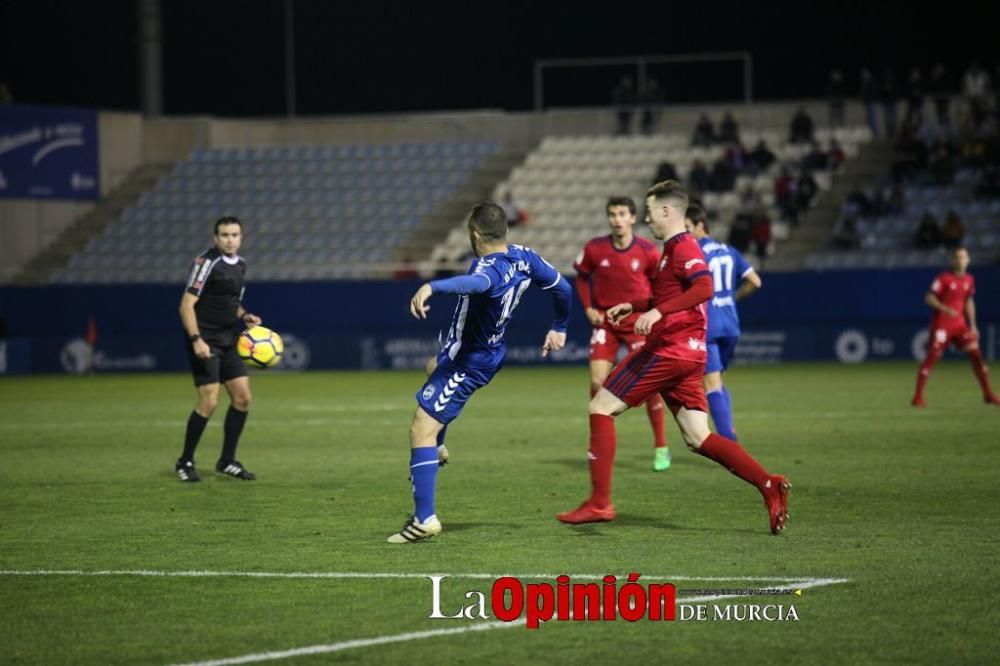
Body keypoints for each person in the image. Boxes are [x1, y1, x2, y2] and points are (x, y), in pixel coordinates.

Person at [557, 180, 790, 535]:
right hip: (688, 355)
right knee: (698, 437)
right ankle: (768, 484)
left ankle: (600, 503)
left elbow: (704, 287)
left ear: (667, 211)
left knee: (600, 407)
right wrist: (635, 306)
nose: (647, 220)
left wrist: (657, 313)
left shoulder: (683, 247)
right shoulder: (670, 250)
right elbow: (671, 293)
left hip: (669, 350)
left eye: (649, 212)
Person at [388, 202, 572, 543]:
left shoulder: (490, 269)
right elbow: (563, 288)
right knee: (432, 367)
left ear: (474, 235)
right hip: (469, 351)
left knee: (420, 429)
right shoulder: (525, 257)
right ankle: (438, 449)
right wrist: (559, 326)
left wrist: (432, 287)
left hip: (469, 360)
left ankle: (424, 518)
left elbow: (476, 283)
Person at [575, 196, 671, 472]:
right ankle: (600, 442)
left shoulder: (648, 251)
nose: (617, 219)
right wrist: (589, 307)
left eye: (622, 214)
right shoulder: (595, 248)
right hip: (605, 321)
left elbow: (660, 286)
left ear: (632, 218)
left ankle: (661, 446)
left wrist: (656, 315)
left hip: (638, 323)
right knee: (597, 380)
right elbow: (581, 277)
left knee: (649, 384)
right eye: (612, 214)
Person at [176, 216, 261, 482]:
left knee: (243, 398)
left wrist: (245, 316)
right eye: (224, 235)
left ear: (241, 237)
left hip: (229, 339)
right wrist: (196, 339)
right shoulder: (207, 262)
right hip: (205, 340)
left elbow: (229, 303)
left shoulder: (241, 265)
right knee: (209, 400)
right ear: (216, 238)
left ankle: (227, 460)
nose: (230, 239)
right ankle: (185, 461)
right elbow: (186, 305)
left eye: (234, 235)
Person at [684, 204, 761, 441]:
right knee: (718, 380)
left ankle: (729, 442)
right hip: (731, 324)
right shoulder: (729, 251)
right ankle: (730, 431)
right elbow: (755, 282)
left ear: (700, 226)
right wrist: (733, 298)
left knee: (711, 384)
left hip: (709, 326)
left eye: (688, 228)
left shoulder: (695, 253)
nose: (685, 234)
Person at [912, 247, 1000, 408]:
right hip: (942, 326)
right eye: (958, 258)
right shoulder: (944, 278)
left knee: (976, 354)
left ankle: (988, 394)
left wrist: (973, 325)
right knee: (932, 358)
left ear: (968, 260)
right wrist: (945, 309)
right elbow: (929, 298)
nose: (961, 261)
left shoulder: (969, 280)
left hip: (960, 326)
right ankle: (917, 396)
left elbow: (968, 301)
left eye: (964, 257)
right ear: (953, 260)